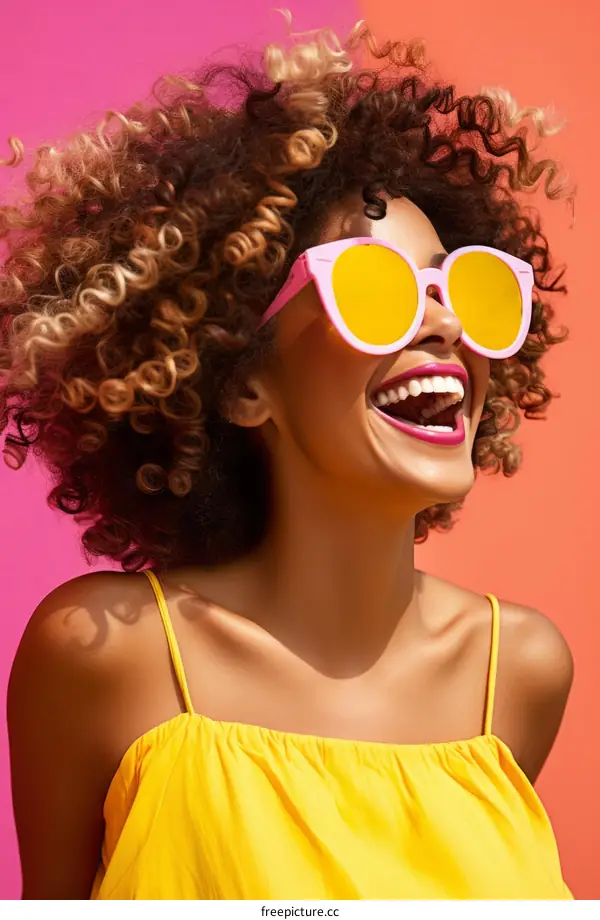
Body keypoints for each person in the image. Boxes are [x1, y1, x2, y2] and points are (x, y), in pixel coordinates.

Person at [2, 19, 574, 900]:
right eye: (373, 292)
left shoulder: (520, 672)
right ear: (241, 384)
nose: (449, 328)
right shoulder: (104, 656)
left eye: (465, 288)